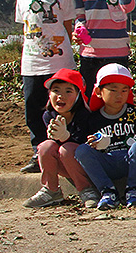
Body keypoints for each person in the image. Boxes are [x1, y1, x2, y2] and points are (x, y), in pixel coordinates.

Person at [13, 0, 75, 173]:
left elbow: (67, 28)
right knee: (34, 108)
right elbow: (26, 29)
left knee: (62, 106)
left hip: (59, 63)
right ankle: (38, 152)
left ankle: (64, 149)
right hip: (31, 64)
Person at [75, 63, 136, 210]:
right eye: (113, 90)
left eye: (124, 90)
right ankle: (107, 191)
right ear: (98, 91)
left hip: (130, 161)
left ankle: (133, 189)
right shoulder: (92, 118)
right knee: (81, 150)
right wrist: (92, 144)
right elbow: (85, 143)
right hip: (107, 161)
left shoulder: (135, 113)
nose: (119, 95)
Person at [24, 69, 95, 209]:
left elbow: (85, 145)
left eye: (68, 91)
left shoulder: (85, 116)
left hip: (87, 167)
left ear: (78, 95)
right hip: (64, 166)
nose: (61, 96)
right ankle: (51, 190)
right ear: (49, 94)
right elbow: (53, 145)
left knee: (67, 149)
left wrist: (67, 137)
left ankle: (86, 189)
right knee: (45, 146)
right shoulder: (48, 116)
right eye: (56, 91)